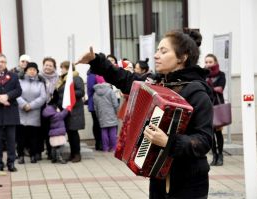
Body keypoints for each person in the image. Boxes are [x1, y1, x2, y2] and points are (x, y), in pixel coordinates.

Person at [76, 30, 213, 198]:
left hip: (188, 182)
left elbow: (204, 141)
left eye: (164, 51)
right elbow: (125, 79)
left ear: (182, 57)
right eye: (157, 50)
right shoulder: (157, 82)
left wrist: (168, 142)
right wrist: (96, 60)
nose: (156, 55)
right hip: (159, 177)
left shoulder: (197, 92)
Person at [16, 62, 46, 164]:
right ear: (26, 71)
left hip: (34, 113)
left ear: (37, 72)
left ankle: (33, 155)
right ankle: (20, 155)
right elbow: (16, 95)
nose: (32, 71)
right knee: (20, 137)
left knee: (33, 137)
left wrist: (31, 105)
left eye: (34, 70)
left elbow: (43, 97)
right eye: (30, 69)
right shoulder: (19, 81)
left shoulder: (41, 83)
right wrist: (24, 105)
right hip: (21, 112)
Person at [55, 61, 85, 163]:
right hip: (66, 111)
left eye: (62, 68)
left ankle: (77, 154)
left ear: (68, 68)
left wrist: (69, 92)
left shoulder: (76, 78)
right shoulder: (63, 79)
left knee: (74, 133)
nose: (61, 70)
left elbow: (81, 92)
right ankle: (72, 154)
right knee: (70, 133)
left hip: (74, 110)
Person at [204, 53, 226, 166]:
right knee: (210, 133)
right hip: (207, 106)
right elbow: (203, 89)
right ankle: (214, 155)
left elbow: (221, 88)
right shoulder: (203, 75)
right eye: (206, 62)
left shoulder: (221, 74)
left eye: (210, 62)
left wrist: (209, 87)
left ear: (215, 62)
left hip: (217, 106)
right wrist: (212, 88)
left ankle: (221, 155)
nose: (208, 64)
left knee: (218, 132)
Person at [38, 57, 59, 160]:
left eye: (50, 65)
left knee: (51, 130)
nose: (48, 67)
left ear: (54, 67)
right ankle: (39, 151)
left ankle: (51, 151)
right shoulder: (38, 77)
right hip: (40, 107)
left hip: (52, 107)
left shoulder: (58, 78)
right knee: (40, 130)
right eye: (46, 65)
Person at [93, 75, 119, 152]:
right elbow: (115, 103)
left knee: (104, 131)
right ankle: (113, 147)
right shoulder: (110, 91)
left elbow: (96, 107)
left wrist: (98, 115)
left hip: (101, 114)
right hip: (111, 113)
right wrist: (117, 111)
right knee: (112, 131)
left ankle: (105, 148)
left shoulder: (95, 93)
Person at [42, 92, 68, 164]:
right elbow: (63, 114)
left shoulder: (50, 115)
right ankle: (60, 157)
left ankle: (53, 158)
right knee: (59, 147)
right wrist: (67, 108)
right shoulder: (57, 115)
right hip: (59, 134)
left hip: (53, 134)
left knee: (53, 146)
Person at [87, 69, 102, 150]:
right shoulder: (92, 74)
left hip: (100, 102)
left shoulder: (97, 73)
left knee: (99, 123)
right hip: (94, 103)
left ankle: (100, 143)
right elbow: (90, 88)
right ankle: (98, 143)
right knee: (97, 123)